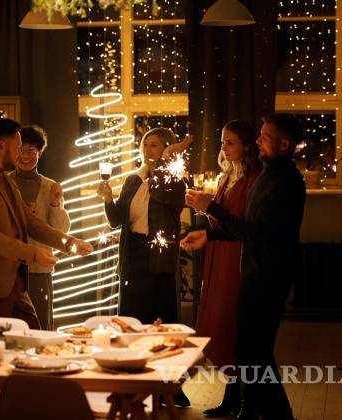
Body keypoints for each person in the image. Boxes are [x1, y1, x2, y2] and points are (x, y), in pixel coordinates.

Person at [182, 113, 306, 420]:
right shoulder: (269, 175)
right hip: (254, 272)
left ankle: (273, 414)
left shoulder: (286, 183)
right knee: (250, 351)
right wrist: (208, 235)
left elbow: (256, 233)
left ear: (284, 144)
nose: (258, 141)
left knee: (255, 352)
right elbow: (247, 227)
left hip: (269, 276)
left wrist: (210, 208)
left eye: (265, 137)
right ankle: (256, 411)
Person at [0, 118, 92, 330]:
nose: (20, 154)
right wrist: (33, 253)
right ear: (1, 146)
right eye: (18, 147)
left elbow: (30, 222)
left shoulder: (5, 180)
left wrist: (69, 243)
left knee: (34, 334)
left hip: (14, 283)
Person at [191, 121, 261, 417]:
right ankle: (231, 395)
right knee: (219, 322)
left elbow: (241, 224)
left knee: (231, 322)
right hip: (219, 253)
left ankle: (246, 399)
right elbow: (221, 220)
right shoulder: (228, 176)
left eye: (230, 142)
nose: (224, 147)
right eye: (222, 142)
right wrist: (204, 209)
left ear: (247, 145)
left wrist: (209, 207)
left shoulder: (253, 179)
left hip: (236, 257)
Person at [97, 128, 188, 325]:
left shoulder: (175, 182)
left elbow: (159, 192)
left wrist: (166, 159)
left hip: (158, 257)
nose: (147, 150)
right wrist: (108, 198)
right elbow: (115, 221)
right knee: (131, 318)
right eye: (145, 145)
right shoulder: (133, 180)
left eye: (154, 145)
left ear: (167, 149)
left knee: (157, 319)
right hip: (132, 254)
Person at [7, 125, 70, 330]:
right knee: (11, 324)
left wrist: (55, 204)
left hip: (39, 265)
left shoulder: (51, 186)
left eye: (31, 150)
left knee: (40, 323)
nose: (25, 156)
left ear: (40, 153)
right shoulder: (4, 182)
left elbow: (61, 229)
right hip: (8, 263)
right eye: (21, 150)